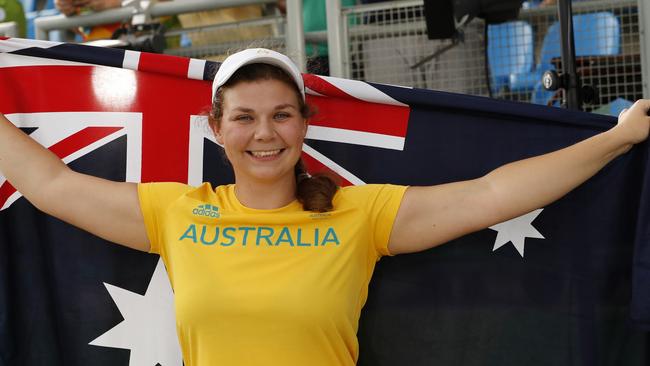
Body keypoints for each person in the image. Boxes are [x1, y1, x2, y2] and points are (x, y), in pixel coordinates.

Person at [0, 48, 649, 365]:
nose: (264, 134)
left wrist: (618, 139)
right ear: (216, 128)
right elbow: (52, 185)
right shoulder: (177, 212)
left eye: (282, 116)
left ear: (303, 124)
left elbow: (490, 195)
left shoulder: (356, 214)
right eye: (246, 118)